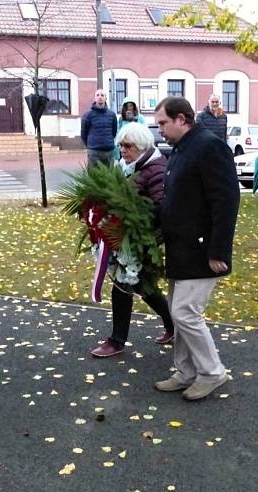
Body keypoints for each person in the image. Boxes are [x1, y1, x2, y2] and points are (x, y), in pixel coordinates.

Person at [153, 96, 239, 401]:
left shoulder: (209, 146)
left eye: (163, 122)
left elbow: (226, 201)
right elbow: (177, 200)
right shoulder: (181, 149)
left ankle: (212, 372)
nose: (159, 128)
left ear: (182, 119)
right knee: (179, 314)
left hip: (202, 250)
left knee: (185, 313)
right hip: (181, 248)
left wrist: (219, 251)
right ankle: (186, 371)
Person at [90, 123, 175, 357]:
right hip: (132, 238)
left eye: (127, 146)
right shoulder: (132, 166)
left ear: (141, 146)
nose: (123, 151)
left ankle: (116, 342)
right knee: (142, 286)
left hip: (144, 240)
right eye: (120, 146)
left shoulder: (155, 168)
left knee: (123, 286)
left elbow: (160, 208)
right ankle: (174, 325)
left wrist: (129, 220)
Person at [81, 89, 118, 168]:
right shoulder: (88, 115)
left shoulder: (112, 115)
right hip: (94, 152)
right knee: (93, 176)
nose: (100, 97)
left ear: (106, 98)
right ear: (95, 98)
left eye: (102, 95)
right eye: (97, 95)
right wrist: (90, 145)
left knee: (109, 176)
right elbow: (83, 133)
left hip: (109, 151)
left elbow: (114, 132)